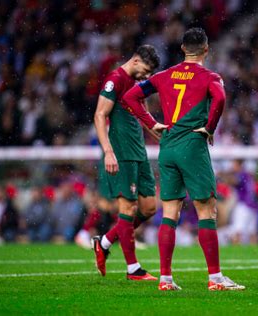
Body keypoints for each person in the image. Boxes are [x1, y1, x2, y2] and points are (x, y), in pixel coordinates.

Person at [123, 27, 245, 291]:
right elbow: (220, 98)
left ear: (182, 49)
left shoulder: (164, 75)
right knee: (206, 211)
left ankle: (165, 279)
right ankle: (215, 278)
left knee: (170, 213)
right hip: (192, 144)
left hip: (167, 146)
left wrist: (152, 123)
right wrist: (210, 127)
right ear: (206, 49)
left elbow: (130, 96)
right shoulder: (210, 76)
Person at [91, 45, 161, 281]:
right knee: (128, 209)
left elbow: (144, 115)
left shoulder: (140, 85)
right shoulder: (115, 79)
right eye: (147, 70)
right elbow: (100, 115)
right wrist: (108, 151)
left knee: (149, 207)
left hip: (139, 153)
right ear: (136, 60)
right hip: (120, 153)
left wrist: (162, 136)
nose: (148, 76)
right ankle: (133, 269)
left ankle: (105, 241)